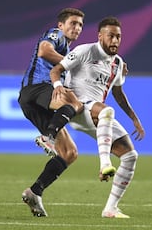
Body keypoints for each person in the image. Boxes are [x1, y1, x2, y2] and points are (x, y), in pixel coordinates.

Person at [49, 16, 145, 218]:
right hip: (77, 107)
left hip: (98, 117)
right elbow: (57, 70)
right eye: (111, 36)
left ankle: (110, 208)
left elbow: (118, 93)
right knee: (106, 111)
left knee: (130, 156)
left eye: (118, 37)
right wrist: (58, 88)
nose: (115, 41)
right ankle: (104, 164)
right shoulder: (85, 51)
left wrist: (134, 118)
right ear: (100, 36)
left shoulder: (118, 63)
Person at [18, 8, 85, 217]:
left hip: (35, 103)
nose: (77, 28)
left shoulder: (68, 50)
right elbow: (44, 51)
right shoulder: (55, 36)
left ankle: (35, 192)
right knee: (75, 103)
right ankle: (48, 136)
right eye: (73, 23)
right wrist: (69, 64)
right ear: (61, 25)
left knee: (70, 153)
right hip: (37, 89)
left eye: (80, 25)